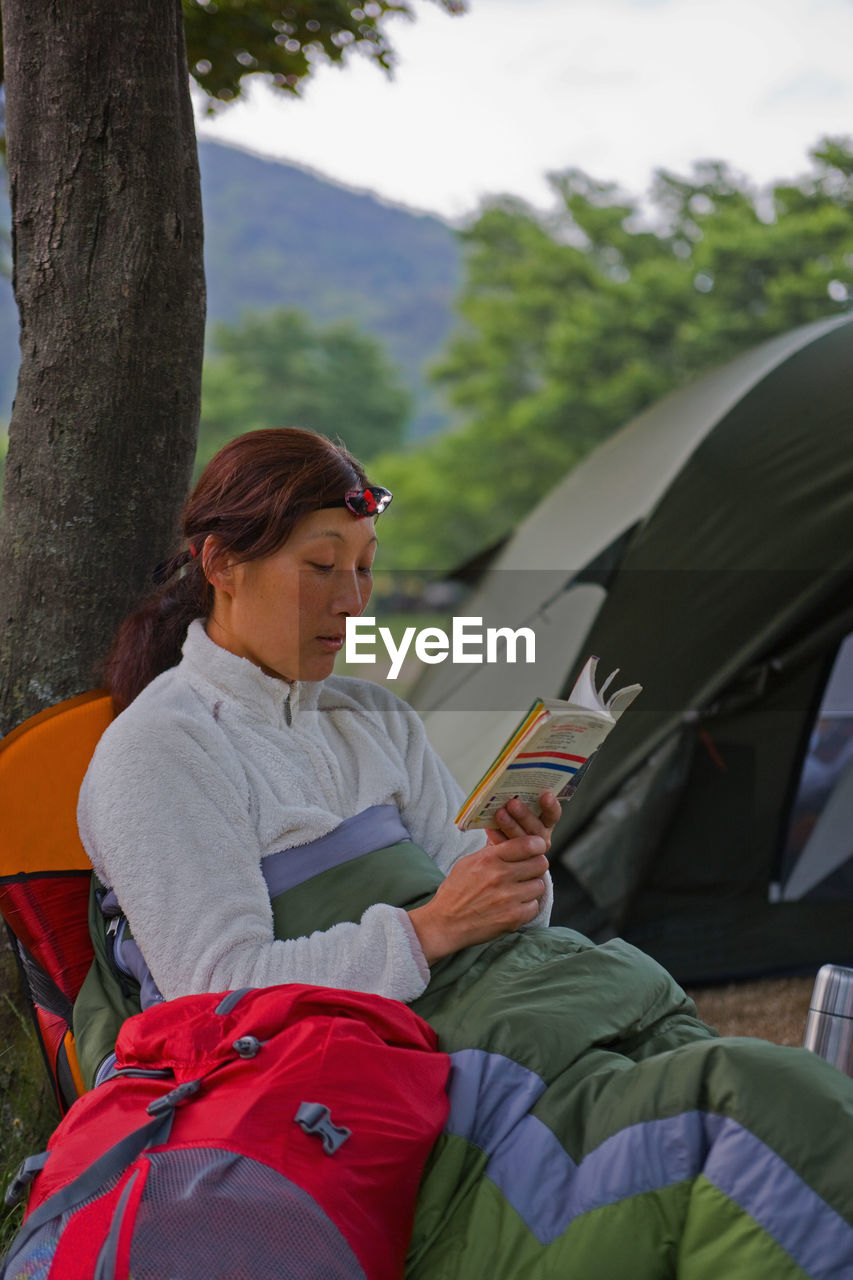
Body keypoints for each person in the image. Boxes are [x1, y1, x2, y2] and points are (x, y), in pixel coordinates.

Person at [75, 428, 853, 1280]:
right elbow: (217, 994)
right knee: (758, 1109)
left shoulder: (370, 716)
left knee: (788, 1098)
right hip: (410, 1091)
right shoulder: (162, 749)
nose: (353, 601)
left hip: (529, 1018)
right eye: (322, 567)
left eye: (365, 568)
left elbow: (483, 915)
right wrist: (430, 929)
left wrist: (514, 869)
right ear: (221, 563)